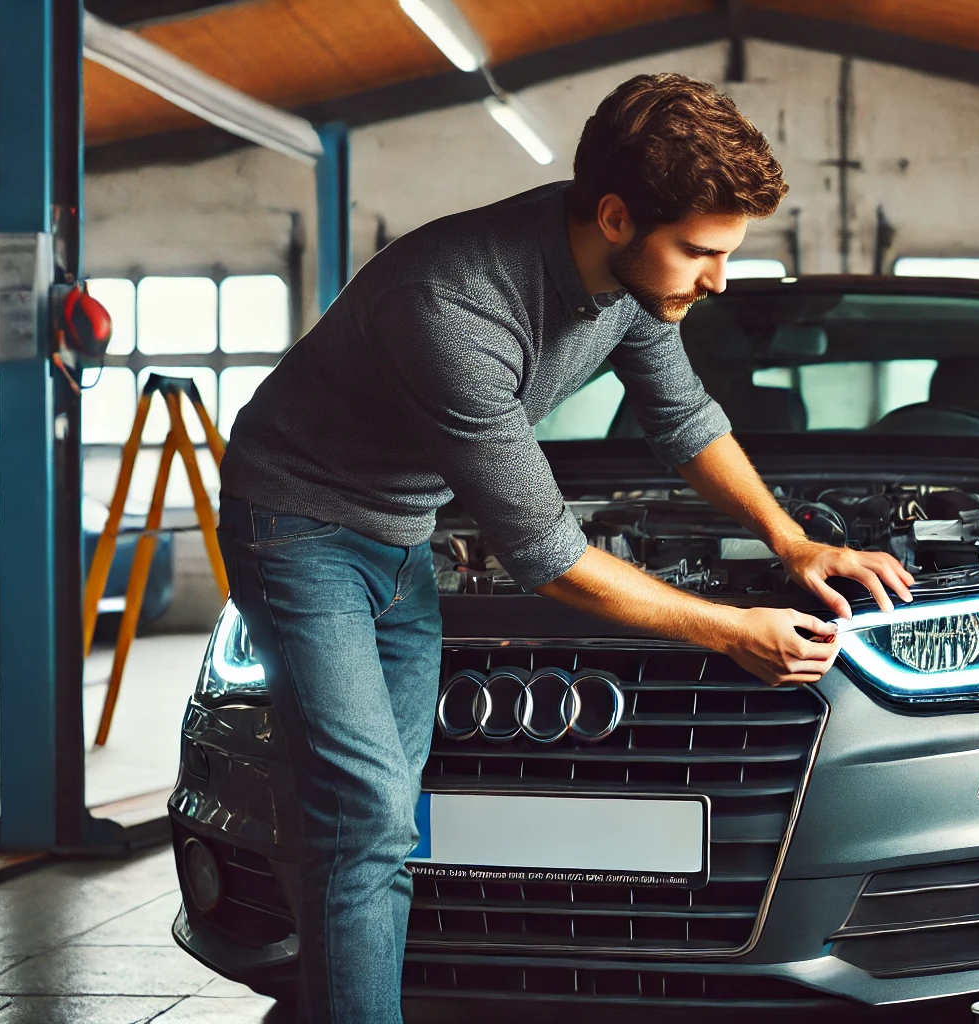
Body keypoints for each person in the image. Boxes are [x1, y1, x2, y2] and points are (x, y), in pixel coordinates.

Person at [214, 73, 913, 1023]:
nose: (717, 279)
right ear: (619, 217)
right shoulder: (453, 309)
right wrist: (732, 630)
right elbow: (552, 558)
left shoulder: (629, 280)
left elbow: (684, 419)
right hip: (298, 527)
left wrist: (795, 544)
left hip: (404, 533)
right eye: (701, 253)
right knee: (370, 813)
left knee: (366, 814)